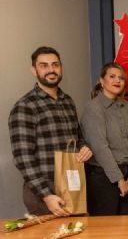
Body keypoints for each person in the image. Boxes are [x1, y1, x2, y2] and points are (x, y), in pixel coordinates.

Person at [9, 46, 93, 216]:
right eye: (44, 65)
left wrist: (85, 148)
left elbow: (77, 137)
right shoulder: (25, 106)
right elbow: (23, 157)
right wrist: (46, 195)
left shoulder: (67, 101)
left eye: (55, 65)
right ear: (34, 70)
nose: (51, 70)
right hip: (44, 192)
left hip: (71, 186)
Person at [81, 62, 128, 216]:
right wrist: (119, 180)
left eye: (121, 78)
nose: (117, 81)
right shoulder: (93, 108)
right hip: (103, 179)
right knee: (106, 231)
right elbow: (100, 148)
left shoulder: (126, 106)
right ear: (102, 81)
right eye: (112, 76)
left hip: (126, 174)